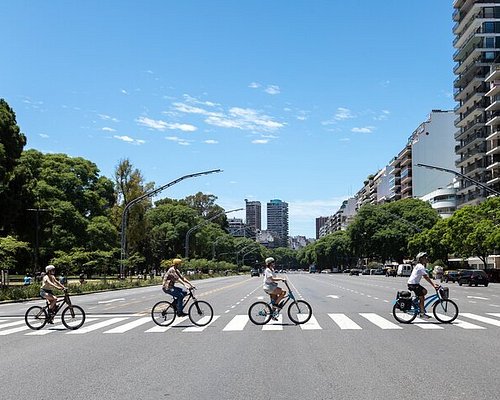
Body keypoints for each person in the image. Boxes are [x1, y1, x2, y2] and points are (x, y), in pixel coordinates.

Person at [407, 252, 439, 319]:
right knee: (422, 296)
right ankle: (422, 313)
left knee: (424, 292)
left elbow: (426, 274)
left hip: (413, 283)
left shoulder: (420, 266)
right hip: (413, 284)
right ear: (420, 259)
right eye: (424, 258)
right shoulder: (420, 266)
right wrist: (433, 285)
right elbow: (426, 277)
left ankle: (416, 302)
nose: (426, 259)